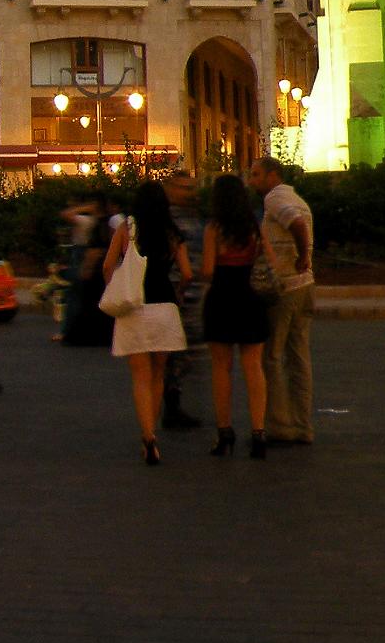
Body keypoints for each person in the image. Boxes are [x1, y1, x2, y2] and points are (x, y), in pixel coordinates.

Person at [104, 182, 191, 465]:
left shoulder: (126, 229)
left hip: (135, 307)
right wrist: (178, 292)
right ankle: (152, 434)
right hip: (164, 306)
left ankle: (148, 436)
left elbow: (107, 265)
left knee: (140, 376)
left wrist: (115, 288)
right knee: (158, 374)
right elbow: (187, 272)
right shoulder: (171, 231)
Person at [199, 174, 271, 458]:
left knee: (221, 367)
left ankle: (225, 432)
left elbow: (207, 269)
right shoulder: (254, 227)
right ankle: (258, 432)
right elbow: (269, 261)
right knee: (253, 366)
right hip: (250, 296)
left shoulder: (214, 229)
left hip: (222, 297)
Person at [249, 155, 316, 445]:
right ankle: (303, 424)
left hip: (286, 286)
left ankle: (280, 425)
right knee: (299, 356)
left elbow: (296, 223)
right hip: (306, 286)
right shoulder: (298, 198)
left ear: (272, 175)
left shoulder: (275, 200)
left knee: (273, 357)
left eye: (256, 175)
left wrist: (303, 255)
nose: (252, 181)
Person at [161, 170, 206, 431]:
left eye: (192, 188)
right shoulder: (166, 218)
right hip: (176, 291)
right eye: (183, 188)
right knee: (175, 353)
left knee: (188, 352)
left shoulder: (193, 216)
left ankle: (175, 402)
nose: (189, 193)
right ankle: (171, 405)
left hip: (193, 292)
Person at [58, 193, 114, 347]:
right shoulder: (106, 222)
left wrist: (87, 267)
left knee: (78, 295)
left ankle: (71, 331)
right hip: (100, 261)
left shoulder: (89, 222)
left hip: (88, 258)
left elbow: (66, 215)